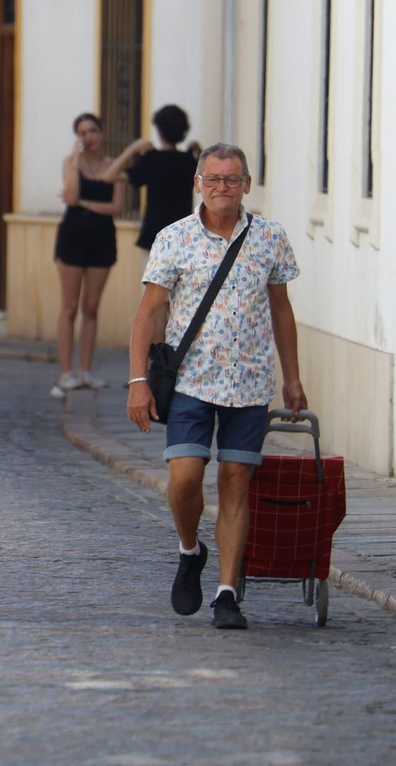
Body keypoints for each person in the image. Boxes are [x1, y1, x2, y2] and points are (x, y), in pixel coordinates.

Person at [126, 143, 305, 631]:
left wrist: (292, 378)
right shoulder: (174, 239)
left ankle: (227, 593)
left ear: (246, 185)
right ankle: (190, 550)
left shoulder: (269, 237)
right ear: (197, 184)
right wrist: (138, 381)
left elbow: (282, 310)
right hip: (190, 381)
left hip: (249, 384)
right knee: (184, 478)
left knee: (234, 482)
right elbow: (147, 313)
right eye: (213, 179)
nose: (222, 187)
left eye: (231, 179)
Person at [52, 113, 128, 398]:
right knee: (69, 307)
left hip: (102, 238)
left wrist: (85, 203)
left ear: (102, 132)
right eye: (83, 133)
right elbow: (70, 198)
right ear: (78, 137)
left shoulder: (113, 166)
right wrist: (75, 161)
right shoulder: (70, 163)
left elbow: (117, 207)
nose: (89, 137)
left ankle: (85, 370)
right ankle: (66, 372)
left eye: (93, 130)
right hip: (72, 236)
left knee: (92, 307)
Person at [100, 104, 202, 256]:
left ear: (159, 131)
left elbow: (108, 177)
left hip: (154, 236)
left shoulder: (152, 160)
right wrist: (200, 154)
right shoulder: (189, 161)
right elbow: (207, 179)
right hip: (183, 235)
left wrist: (131, 149)